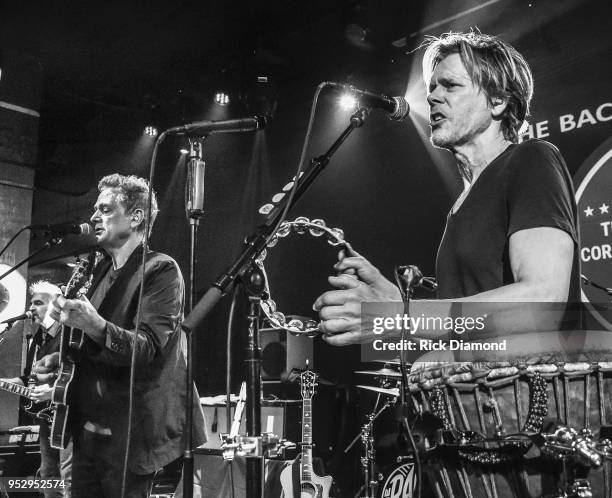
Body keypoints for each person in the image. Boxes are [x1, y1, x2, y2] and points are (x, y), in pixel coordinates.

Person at [313, 31, 579, 345]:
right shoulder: (461, 204)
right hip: (473, 390)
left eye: (450, 85)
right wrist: (390, 299)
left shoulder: (530, 159)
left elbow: (543, 301)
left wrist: (396, 316)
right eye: (432, 87)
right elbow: (463, 323)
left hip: (532, 392)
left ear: (498, 100)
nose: (432, 97)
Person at [38, 174, 206, 498]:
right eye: (95, 209)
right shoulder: (96, 270)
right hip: (86, 432)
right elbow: (88, 346)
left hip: (131, 435)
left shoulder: (162, 270)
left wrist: (95, 325)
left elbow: (146, 347)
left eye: (105, 208)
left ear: (136, 216)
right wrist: (58, 361)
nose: (93, 216)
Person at [0, 280, 72, 498]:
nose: (31, 308)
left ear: (55, 306)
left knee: (68, 477)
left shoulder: (68, 336)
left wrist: (52, 391)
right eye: (31, 303)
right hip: (45, 418)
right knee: (49, 475)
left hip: (68, 417)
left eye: (38, 303)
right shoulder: (38, 339)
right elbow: (28, 379)